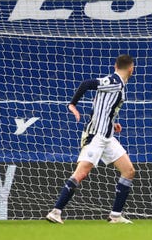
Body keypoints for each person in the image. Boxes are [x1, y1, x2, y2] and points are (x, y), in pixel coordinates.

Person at [46, 54, 136, 224]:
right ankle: (56, 212)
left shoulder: (120, 86)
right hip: (96, 136)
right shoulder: (114, 81)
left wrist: (112, 123)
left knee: (129, 171)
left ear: (116, 66)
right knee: (81, 173)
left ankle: (115, 216)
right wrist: (72, 104)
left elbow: (101, 108)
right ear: (131, 69)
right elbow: (87, 84)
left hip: (107, 136)